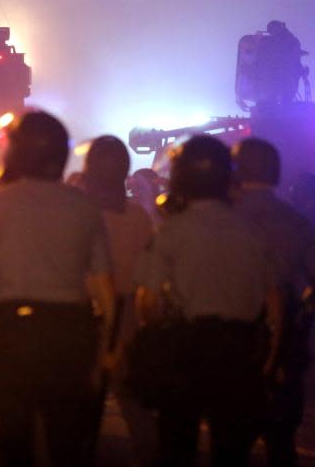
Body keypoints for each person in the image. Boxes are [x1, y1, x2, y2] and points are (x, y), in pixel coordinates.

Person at [0, 111, 116, 467]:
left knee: (13, 431)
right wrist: (106, 345)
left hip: (13, 331)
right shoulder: (85, 207)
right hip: (71, 331)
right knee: (67, 436)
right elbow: (104, 286)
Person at [135, 135, 283, 467]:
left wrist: (153, 338)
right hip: (238, 350)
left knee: (177, 445)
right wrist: (269, 358)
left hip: (185, 348)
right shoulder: (251, 232)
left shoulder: (170, 232)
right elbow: (272, 300)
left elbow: (149, 302)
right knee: (231, 449)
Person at [232, 137, 315, 466]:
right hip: (286, 340)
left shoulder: (224, 220)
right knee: (281, 441)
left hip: (233, 333)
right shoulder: (296, 222)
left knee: (231, 441)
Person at [83, 136, 157, 466]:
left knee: (79, 406)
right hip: (127, 315)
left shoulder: (76, 211)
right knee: (135, 404)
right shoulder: (138, 217)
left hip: (83, 314)